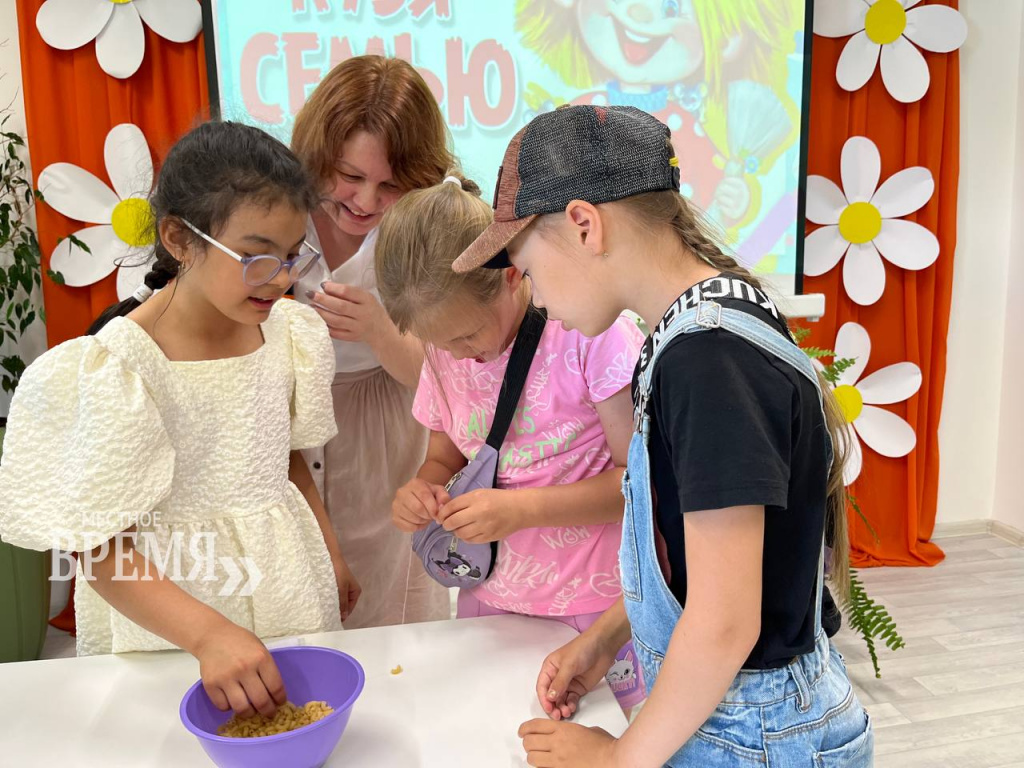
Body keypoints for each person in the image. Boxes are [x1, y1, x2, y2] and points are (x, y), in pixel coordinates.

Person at [453, 105, 873, 766]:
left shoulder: (708, 359)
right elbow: (717, 573)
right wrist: (605, 639)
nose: (534, 299)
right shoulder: (707, 325)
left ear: (584, 225)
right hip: (741, 711)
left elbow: (726, 621)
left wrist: (616, 760)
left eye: (527, 268)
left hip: (755, 732)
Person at [0, 121, 354, 719]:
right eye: (255, 256)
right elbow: (95, 546)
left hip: (283, 583)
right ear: (180, 239)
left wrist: (330, 549)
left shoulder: (287, 333)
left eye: (293, 256)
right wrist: (206, 635)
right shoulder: (120, 367)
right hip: (169, 611)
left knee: (292, 728)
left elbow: (287, 458)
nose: (282, 277)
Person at [375, 175, 646, 712]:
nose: (461, 354)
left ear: (510, 276)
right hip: (491, 599)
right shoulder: (444, 355)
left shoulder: (589, 331)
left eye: (468, 334)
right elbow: (444, 456)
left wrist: (522, 509)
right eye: (440, 343)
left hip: (599, 609)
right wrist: (422, 491)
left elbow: (638, 481)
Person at [290, 55, 454, 627]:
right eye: (350, 177)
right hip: (282, 428)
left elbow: (451, 382)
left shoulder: (425, 226)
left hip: (387, 430)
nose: (364, 202)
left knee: (385, 603)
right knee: (296, 595)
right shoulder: (277, 208)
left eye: (389, 185)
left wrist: (380, 334)